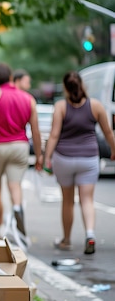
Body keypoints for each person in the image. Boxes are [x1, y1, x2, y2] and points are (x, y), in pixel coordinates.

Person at [44, 71, 115, 254]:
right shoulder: (96, 106)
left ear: (66, 88)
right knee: (87, 200)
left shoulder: (61, 107)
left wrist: (46, 159)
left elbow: (54, 135)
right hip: (89, 159)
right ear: (83, 85)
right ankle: (90, 235)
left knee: (67, 201)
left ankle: (66, 240)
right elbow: (108, 132)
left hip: (64, 159)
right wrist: (114, 150)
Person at [0, 63, 42, 240]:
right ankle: (18, 208)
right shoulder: (28, 98)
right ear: (11, 77)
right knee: (15, 186)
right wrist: (39, 155)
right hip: (20, 147)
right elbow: (35, 130)